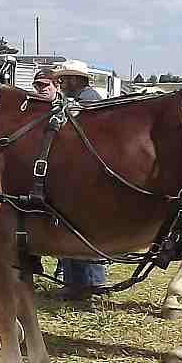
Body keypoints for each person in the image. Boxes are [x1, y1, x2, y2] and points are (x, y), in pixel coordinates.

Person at [54, 59, 108, 300]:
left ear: (76, 79)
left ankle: (92, 285)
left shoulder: (88, 100)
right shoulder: (81, 98)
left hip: (87, 171)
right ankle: (76, 284)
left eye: (64, 79)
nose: (61, 83)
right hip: (78, 170)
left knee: (84, 229)